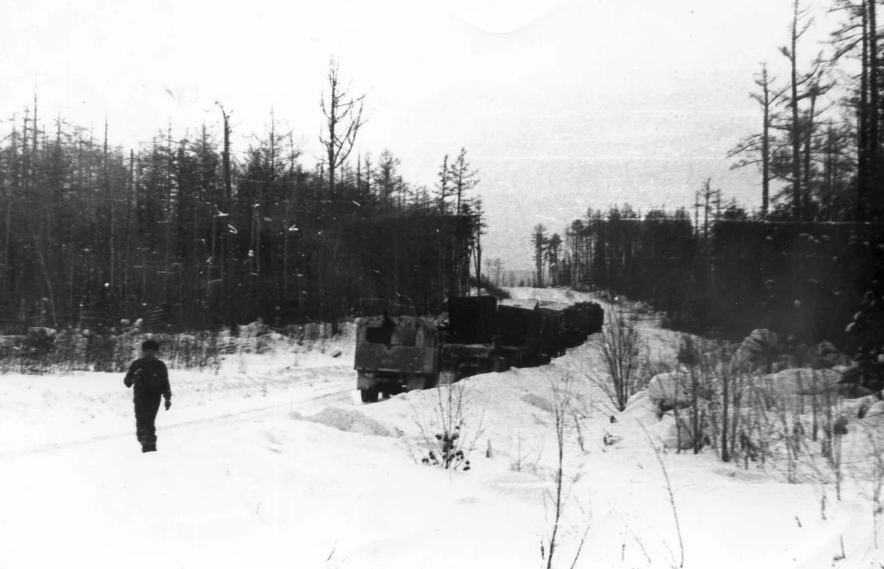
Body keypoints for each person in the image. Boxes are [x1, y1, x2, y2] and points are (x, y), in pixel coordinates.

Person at [124, 339, 172, 453]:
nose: (149, 353)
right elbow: (127, 382)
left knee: (149, 421)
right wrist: (133, 378)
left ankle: (150, 448)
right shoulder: (136, 364)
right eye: (147, 351)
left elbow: (165, 383)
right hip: (140, 398)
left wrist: (167, 398)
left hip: (154, 399)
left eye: (152, 351)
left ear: (155, 352)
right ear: (143, 351)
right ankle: (144, 442)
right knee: (140, 422)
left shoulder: (160, 366)